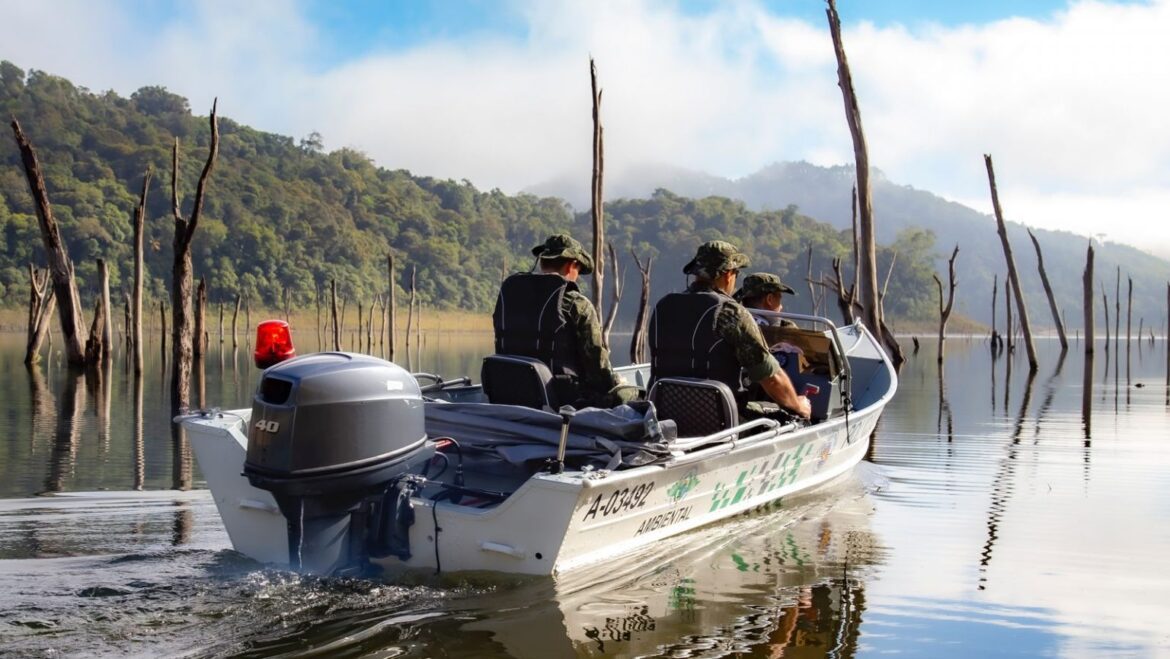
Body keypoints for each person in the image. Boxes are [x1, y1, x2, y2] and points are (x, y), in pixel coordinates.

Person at [648, 241, 811, 419]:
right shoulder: (730, 312)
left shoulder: (663, 306)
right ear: (728, 275)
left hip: (663, 415)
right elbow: (771, 377)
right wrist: (798, 404)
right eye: (737, 273)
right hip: (718, 420)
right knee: (791, 415)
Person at [492, 233, 637, 408]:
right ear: (572, 265)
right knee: (632, 394)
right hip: (563, 402)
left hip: (509, 395)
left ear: (543, 262)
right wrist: (617, 383)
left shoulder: (513, 298)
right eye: (578, 270)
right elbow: (598, 371)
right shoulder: (577, 304)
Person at [734, 273, 799, 329]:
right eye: (779, 300)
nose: (781, 307)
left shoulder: (733, 323)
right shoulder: (774, 332)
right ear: (769, 299)